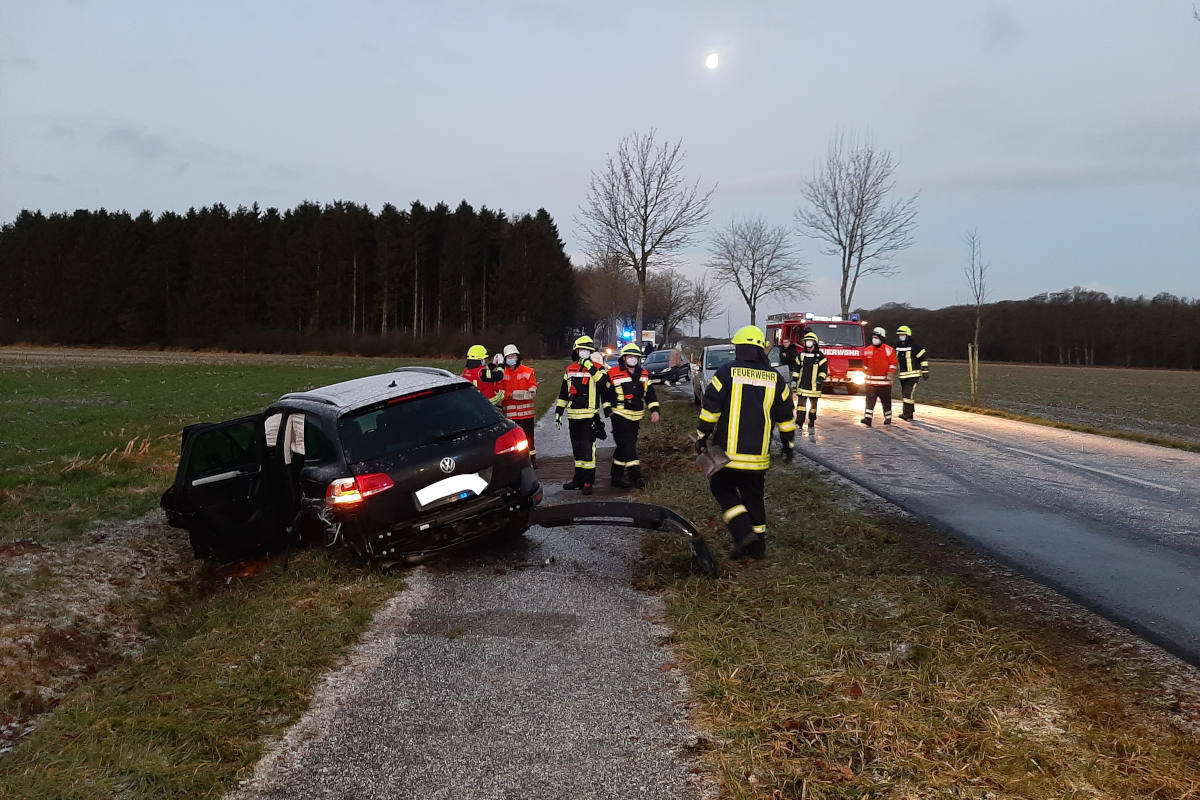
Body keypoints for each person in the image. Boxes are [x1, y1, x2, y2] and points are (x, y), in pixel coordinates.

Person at [695, 325, 796, 560]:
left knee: (721, 488)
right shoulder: (776, 378)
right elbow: (786, 417)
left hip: (728, 456)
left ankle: (742, 532)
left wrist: (702, 436)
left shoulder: (726, 372)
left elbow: (710, 409)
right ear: (761, 350)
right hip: (758, 458)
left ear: (739, 349)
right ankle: (758, 548)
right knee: (754, 497)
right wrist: (788, 445)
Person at [555, 335, 612, 495]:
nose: (584, 352)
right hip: (573, 417)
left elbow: (605, 384)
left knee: (588, 450)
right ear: (576, 351)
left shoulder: (598, 368)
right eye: (582, 349)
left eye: (587, 350)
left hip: (589, 418)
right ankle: (578, 480)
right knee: (577, 450)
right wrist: (559, 412)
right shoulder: (570, 369)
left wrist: (590, 366)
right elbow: (563, 393)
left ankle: (588, 482)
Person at [605, 342, 660, 488]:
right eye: (630, 355)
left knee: (623, 447)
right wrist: (608, 410)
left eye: (635, 356)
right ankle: (636, 477)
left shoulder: (643, 374)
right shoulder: (613, 373)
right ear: (624, 357)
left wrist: (654, 410)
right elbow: (605, 394)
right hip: (619, 416)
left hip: (636, 417)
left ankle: (616, 477)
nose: (632, 358)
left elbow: (650, 394)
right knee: (628, 446)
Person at [500, 344, 538, 467]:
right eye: (509, 356)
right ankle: (516, 461)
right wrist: (511, 394)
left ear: (517, 357)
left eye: (513, 356)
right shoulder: (501, 373)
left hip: (527, 412)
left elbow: (533, 384)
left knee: (529, 437)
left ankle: (531, 460)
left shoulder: (528, 371)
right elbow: (499, 391)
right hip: (511, 413)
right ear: (505, 358)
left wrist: (532, 390)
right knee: (514, 439)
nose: (511, 358)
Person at [860, 326, 898, 427]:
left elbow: (893, 363)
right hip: (870, 382)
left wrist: (890, 373)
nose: (874, 339)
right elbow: (864, 364)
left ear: (882, 338)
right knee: (870, 401)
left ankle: (888, 417)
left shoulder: (889, 350)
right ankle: (868, 418)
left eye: (876, 337)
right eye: (873, 337)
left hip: (884, 383)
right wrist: (865, 371)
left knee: (886, 401)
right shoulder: (867, 350)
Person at [895, 325, 930, 421]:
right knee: (906, 394)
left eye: (903, 334)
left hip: (913, 375)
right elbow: (894, 358)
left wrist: (925, 370)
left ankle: (907, 413)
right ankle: (909, 413)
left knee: (907, 394)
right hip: (902, 376)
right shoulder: (897, 346)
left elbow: (923, 358)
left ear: (908, 335)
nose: (901, 336)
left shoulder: (914, 346)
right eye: (899, 335)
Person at [794, 331, 828, 431]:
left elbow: (823, 371)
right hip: (802, 385)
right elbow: (796, 369)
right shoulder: (801, 355)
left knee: (813, 407)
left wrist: (820, 380)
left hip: (814, 386)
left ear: (814, 343)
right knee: (801, 406)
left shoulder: (820, 357)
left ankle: (812, 421)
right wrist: (794, 380)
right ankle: (799, 422)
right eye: (806, 341)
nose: (808, 343)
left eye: (810, 341)